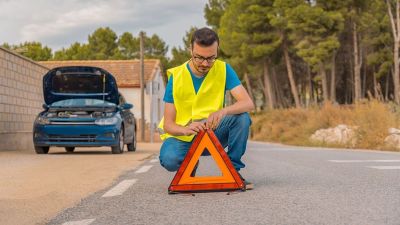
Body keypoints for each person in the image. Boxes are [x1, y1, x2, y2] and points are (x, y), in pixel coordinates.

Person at [158, 27, 255, 189]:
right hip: (184, 136)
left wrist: (223, 111)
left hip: (214, 133)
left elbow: (247, 103)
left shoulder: (224, 69)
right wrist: (186, 129)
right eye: (199, 58)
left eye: (211, 58)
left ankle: (233, 170)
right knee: (169, 160)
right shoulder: (176, 76)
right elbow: (168, 125)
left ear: (217, 50)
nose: (205, 64)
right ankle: (190, 162)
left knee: (242, 117)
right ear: (190, 50)